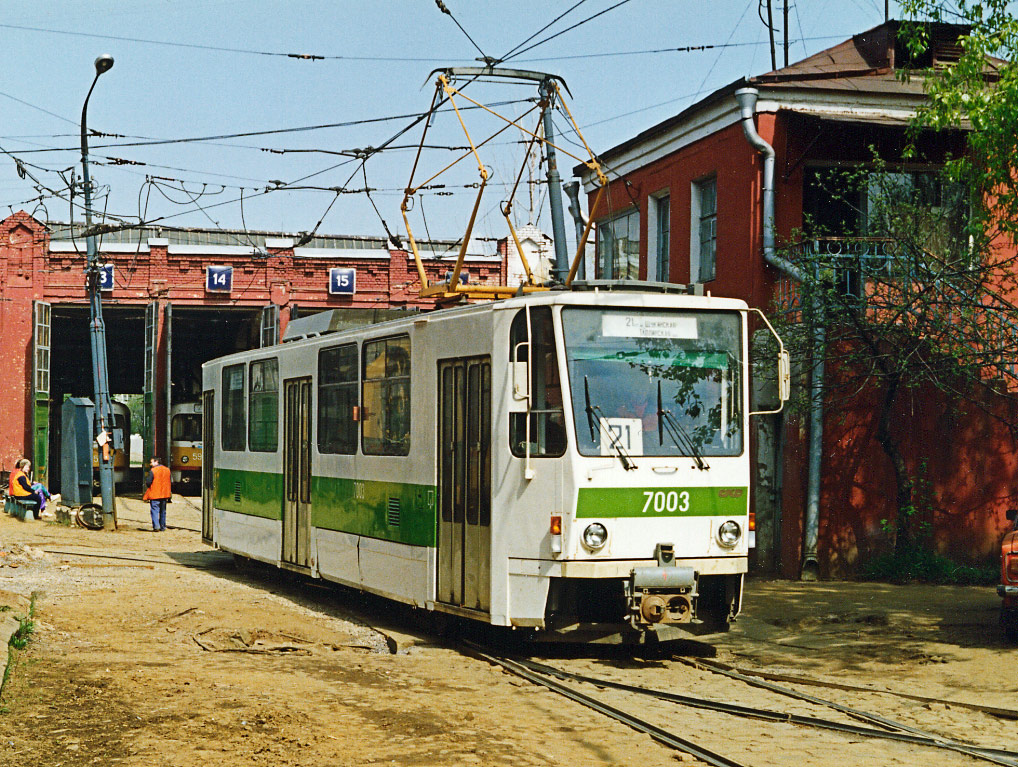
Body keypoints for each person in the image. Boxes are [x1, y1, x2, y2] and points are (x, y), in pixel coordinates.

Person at [142, 456, 172, 532]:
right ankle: (163, 526)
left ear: (156, 462)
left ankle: (156, 526)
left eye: (151, 462)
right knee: (163, 511)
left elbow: (148, 482)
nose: (150, 464)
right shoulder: (167, 470)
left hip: (155, 494)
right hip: (164, 494)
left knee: (155, 510)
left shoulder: (153, 471)